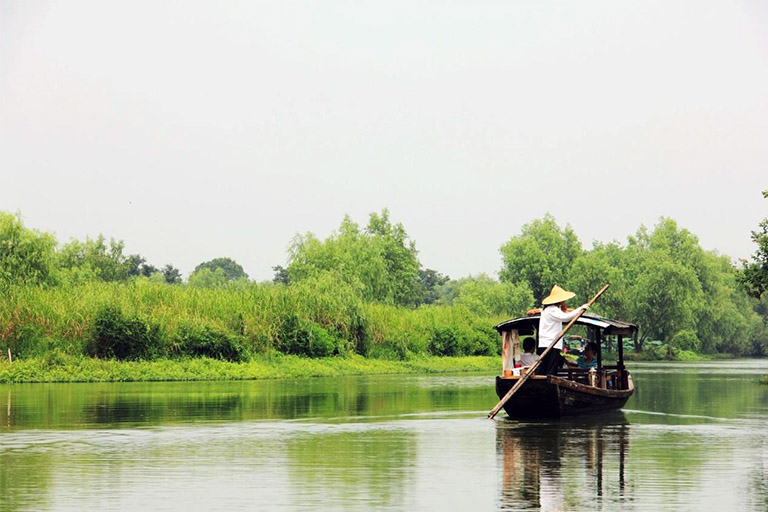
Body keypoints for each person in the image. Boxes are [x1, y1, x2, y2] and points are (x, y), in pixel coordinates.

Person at [536, 285, 590, 375]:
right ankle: (547, 387)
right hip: (551, 344)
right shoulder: (552, 310)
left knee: (544, 368)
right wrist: (581, 308)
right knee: (550, 371)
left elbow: (565, 314)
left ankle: (543, 386)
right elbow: (566, 317)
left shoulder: (547, 310)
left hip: (546, 344)